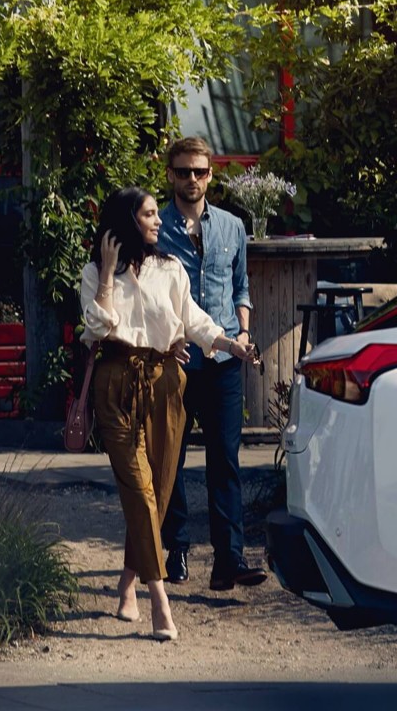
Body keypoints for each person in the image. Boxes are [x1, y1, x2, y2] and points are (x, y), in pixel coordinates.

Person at [79, 186, 257, 641]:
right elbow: (96, 327)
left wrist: (228, 342)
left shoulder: (170, 268)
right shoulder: (96, 272)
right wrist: (106, 277)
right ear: (128, 222)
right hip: (116, 383)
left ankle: (126, 584)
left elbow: (193, 320)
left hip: (164, 383)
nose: (159, 222)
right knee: (139, 489)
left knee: (155, 491)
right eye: (150, 214)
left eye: (158, 214)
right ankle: (160, 602)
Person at [156, 137, 268, 591]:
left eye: (199, 172)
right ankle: (177, 549)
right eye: (183, 171)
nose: (191, 180)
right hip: (178, 358)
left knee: (225, 459)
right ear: (170, 175)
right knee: (172, 459)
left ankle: (230, 559)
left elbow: (241, 286)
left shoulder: (232, 226)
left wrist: (242, 332)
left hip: (223, 356)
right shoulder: (155, 226)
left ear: (210, 175)